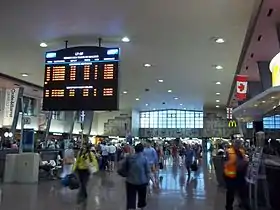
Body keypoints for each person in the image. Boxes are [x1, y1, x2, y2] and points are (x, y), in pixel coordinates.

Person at [224, 139, 250, 210]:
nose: (238, 145)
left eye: (239, 143)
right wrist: (237, 163)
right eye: (236, 143)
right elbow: (225, 163)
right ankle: (229, 207)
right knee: (230, 193)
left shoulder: (242, 152)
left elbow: (244, 160)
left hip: (240, 175)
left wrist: (245, 162)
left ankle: (244, 205)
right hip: (231, 176)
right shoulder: (228, 152)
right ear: (233, 144)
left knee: (243, 192)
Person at [126, 143, 150, 210]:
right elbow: (147, 171)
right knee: (142, 198)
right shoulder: (144, 159)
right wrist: (148, 181)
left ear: (135, 149)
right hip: (142, 182)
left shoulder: (129, 158)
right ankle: (142, 208)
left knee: (131, 198)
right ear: (142, 150)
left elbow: (126, 169)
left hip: (130, 181)